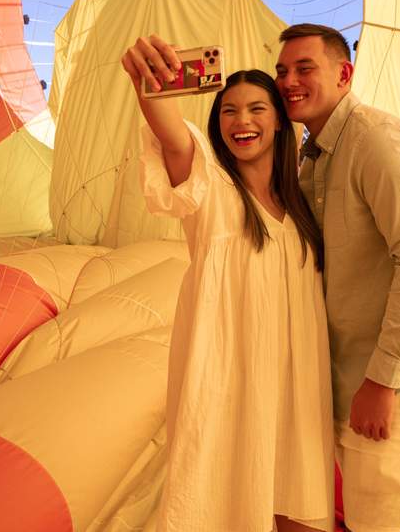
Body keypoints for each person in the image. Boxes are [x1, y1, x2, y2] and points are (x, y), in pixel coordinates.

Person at [123, 35, 335, 532]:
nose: (242, 122)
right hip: (230, 378)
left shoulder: (307, 201)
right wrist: (151, 85)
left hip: (298, 383)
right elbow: (173, 134)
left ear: (280, 118)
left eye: (257, 108)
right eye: (229, 112)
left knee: (299, 496)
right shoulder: (210, 185)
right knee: (225, 492)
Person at [275, 24, 400, 532]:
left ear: (344, 74)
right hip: (358, 376)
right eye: (281, 71)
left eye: (304, 68)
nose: (288, 81)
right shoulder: (312, 158)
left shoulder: (375, 140)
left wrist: (382, 380)